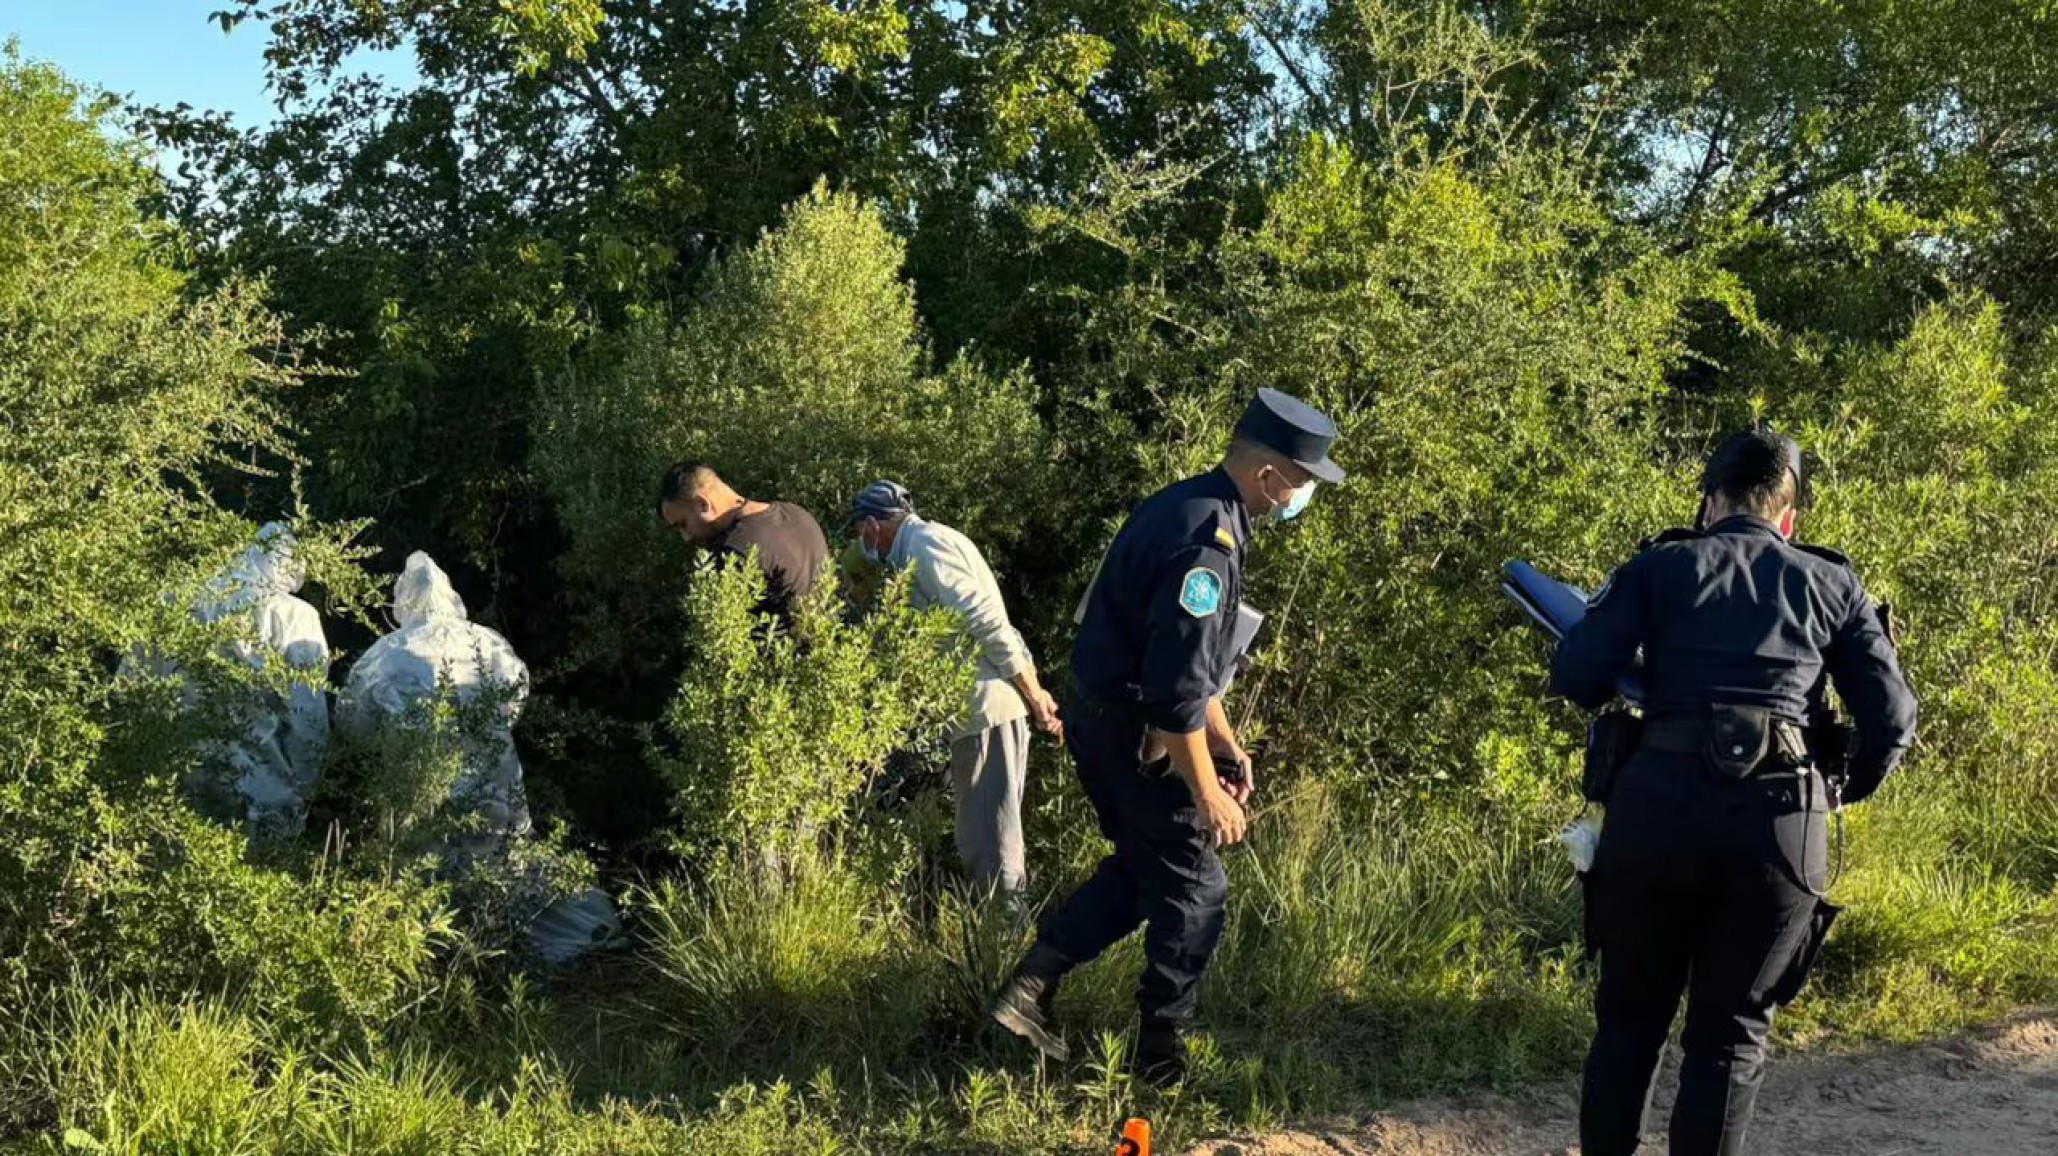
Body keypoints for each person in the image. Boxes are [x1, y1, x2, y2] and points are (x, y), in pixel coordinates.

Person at [1550, 429, 1918, 1156]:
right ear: (1788, 518)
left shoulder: (1660, 567)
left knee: (1628, 1022)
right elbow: (1894, 719)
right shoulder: (1834, 584)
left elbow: (1576, 674)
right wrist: (1846, 788)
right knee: (1732, 1037)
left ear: (1710, 502)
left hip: (1656, 812)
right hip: (1780, 824)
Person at [987, 388, 1346, 1084]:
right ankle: (1160, 1055)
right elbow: (1174, 693)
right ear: (1269, 476)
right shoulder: (1204, 550)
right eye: (1302, 483)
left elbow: (1197, 672)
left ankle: (1029, 988)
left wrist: (1227, 743)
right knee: (1197, 888)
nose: (1304, 497)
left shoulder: (1191, 505)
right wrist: (1208, 792)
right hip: (1132, 733)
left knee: (1148, 865)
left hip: (1109, 718)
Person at [844, 480, 1064, 899]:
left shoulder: (927, 547)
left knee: (991, 846)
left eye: (859, 534)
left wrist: (1034, 693)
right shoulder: (927, 543)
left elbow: (986, 621)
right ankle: (1001, 943)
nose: (862, 544)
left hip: (986, 708)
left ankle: (1003, 951)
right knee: (988, 836)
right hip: (984, 711)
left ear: (873, 525)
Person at [124, 522, 333, 837]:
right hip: (259, 784)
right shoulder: (293, 616)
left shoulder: (177, 598)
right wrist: (307, 784)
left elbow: (131, 684)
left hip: (174, 776)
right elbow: (306, 715)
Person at [338, 552, 533, 861]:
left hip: (419, 786)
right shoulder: (487, 641)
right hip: (494, 779)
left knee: (424, 878)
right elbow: (516, 692)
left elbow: (353, 723)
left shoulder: (389, 651)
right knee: (500, 865)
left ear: (404, 599)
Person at [657, 461, 829, 621]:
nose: (686, 537)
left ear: (704, 504)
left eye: (683, 524)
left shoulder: (734, 553)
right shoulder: (796, 512)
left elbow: (723, 636)